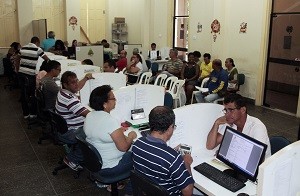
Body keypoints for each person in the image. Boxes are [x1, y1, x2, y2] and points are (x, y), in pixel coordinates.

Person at [84, 85, 137, 192]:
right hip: (110, 167)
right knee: (142, 157)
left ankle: (112, 183)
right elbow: (124, 147)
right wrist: (131, 136)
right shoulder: (109, 121)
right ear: (104, 104)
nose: (115, 100)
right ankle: (130, 191)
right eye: (113, 98)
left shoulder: (90, 115)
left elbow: (101, 132)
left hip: (96, 163)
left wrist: (118, 131)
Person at [132, 106, 194, 195]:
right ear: (169, 128)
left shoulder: (137, 144)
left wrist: (169, 152)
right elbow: (188, 192)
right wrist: (186, 163)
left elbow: (155, 156)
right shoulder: (172, 158)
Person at [206, 93, 271, 158]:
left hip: (259, 166)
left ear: (243, 110)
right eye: (226, 110)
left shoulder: (257, 127)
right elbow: (210, 146)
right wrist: (216, 123)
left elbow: (257, 157)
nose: (227, 114)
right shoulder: (230, 122)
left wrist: (225, 154)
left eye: (231, 110)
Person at [55, 71, 94, 170]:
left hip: (65, 128)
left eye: (76, 81)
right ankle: (72, 159)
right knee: (92, 136)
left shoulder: (62, 92)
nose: (76, 84)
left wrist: (85, 78)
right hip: (71, 132)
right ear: (65, 84)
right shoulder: (70, 99)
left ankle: (74, 152)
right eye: (73, 82)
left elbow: (78, 87)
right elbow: (90, 115)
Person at [19, 36, 49, 119]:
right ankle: (32, 113)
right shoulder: (38, 49)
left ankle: (25, 114)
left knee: (24, 94)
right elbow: (46, 59)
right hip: (30, 74)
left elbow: (18, 57)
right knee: (33, 94)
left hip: (21, 73)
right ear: (37, 42)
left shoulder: (23, 48)